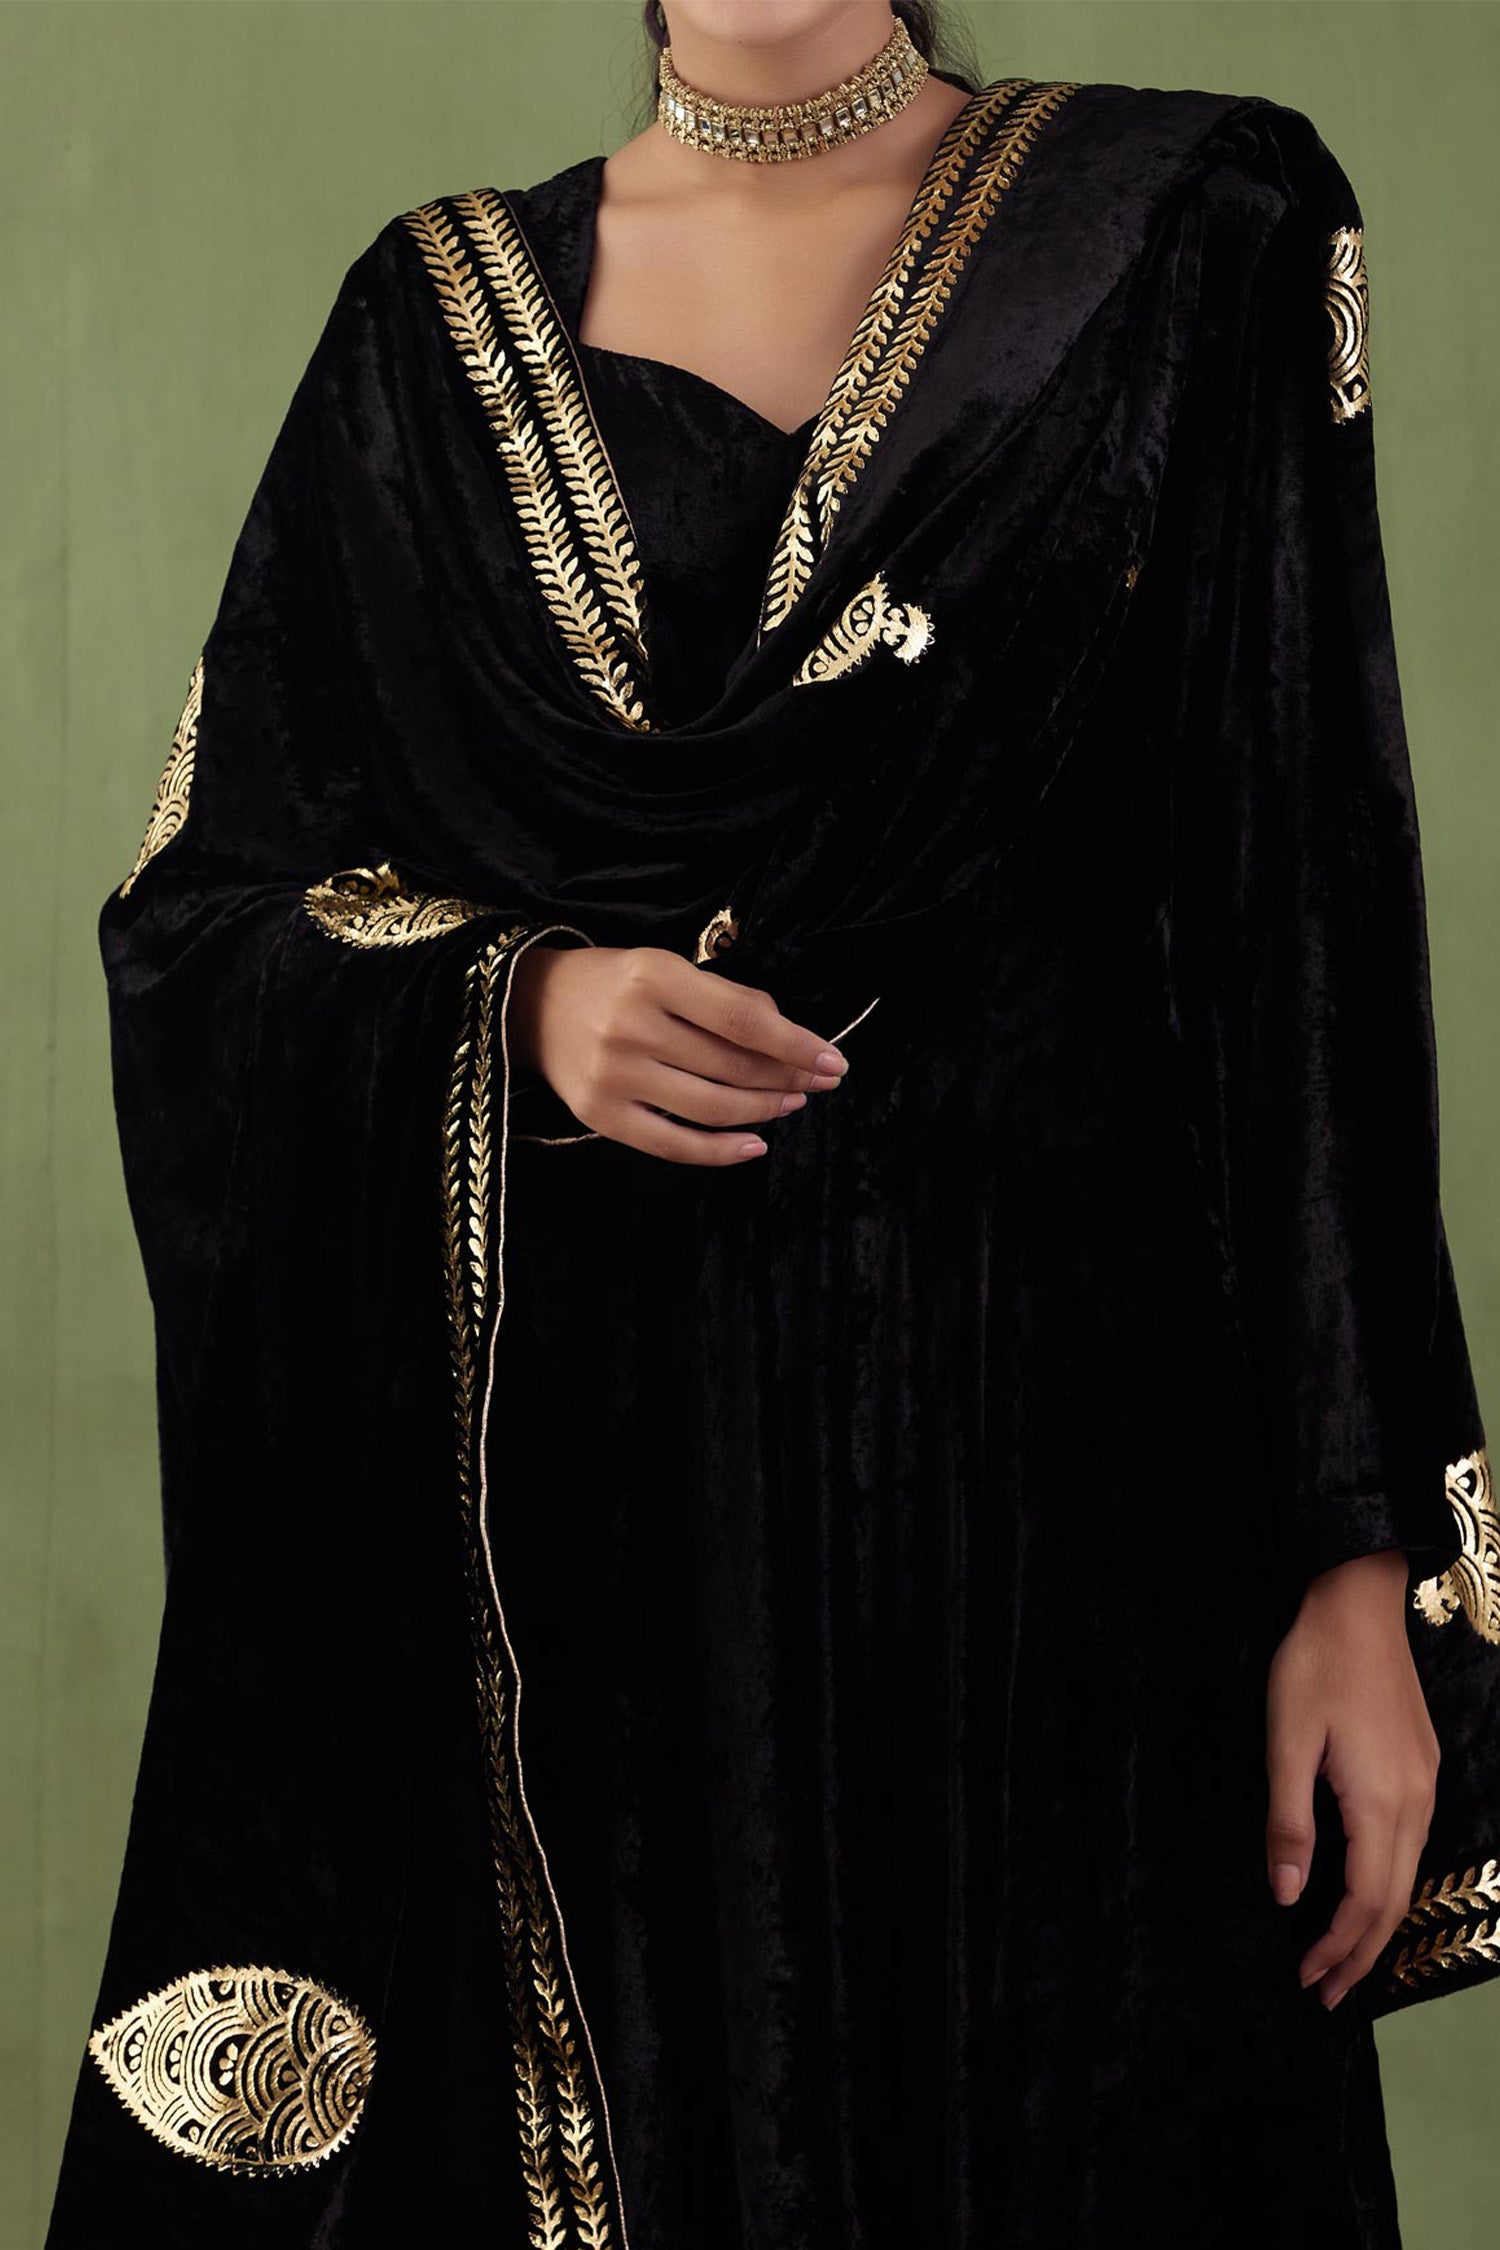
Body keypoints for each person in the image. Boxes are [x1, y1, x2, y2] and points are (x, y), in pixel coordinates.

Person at [44, 3, 1500, 2243]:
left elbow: (1298, 895)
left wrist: (1355, 1560)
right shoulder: (424, 338)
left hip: (1073, 1533)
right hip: (604, 1575)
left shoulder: (1185, 227)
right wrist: (519, 1005)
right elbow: (205, 917)